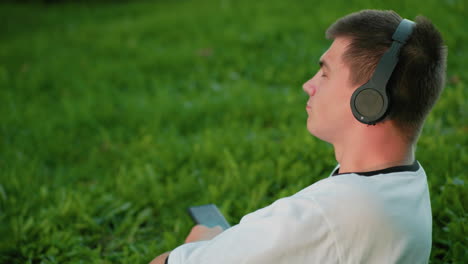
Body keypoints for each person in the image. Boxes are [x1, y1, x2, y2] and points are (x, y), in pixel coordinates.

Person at [150, 9, 446, 264]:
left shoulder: (325, 214)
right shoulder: (410, 183)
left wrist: (200, 246)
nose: (308, 85)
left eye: (325, 74)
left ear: (370, 100)